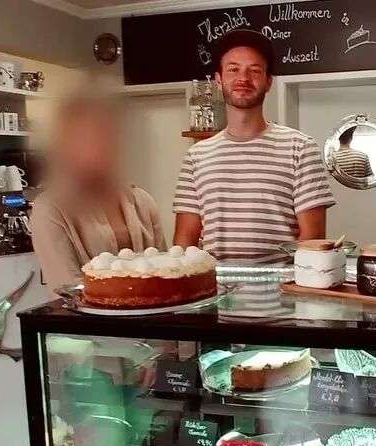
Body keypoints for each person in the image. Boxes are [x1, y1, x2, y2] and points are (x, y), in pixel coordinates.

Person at [173, 30, 335, 262]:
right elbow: (183, 244)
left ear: (269, 82)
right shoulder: (196, 156)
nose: (243, 78)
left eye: (255, 70)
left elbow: (313, 240)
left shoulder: (300, 148)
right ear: (218, 80)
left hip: (282, 293)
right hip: (216, 293)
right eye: (233, 69)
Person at [31, 96, 167, 290]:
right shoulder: (50, 208)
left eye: (109, 136)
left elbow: (166, 272)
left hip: (153, 318)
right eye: (87, 138)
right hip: (86, 320)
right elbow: (67, 288)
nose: (101, 146)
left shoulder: (142, 201)